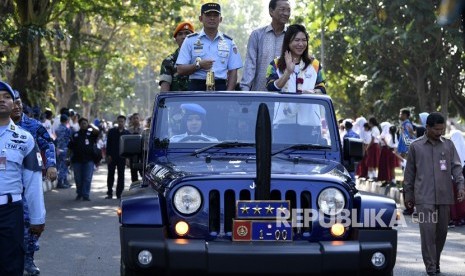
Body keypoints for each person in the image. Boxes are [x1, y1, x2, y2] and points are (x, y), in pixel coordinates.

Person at [403, 112, 465, 276]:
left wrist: (460, 186)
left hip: (445, 196)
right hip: (424, 198)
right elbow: (409, 174)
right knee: (428, 233)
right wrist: (408, 196)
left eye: (442, 129)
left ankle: (435, 261)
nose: (440, 133)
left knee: (442, 233)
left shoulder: (448, 145)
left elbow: (457, 168)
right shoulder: (415, 146)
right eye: (437, 129)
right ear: (428, 128)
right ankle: (431, 267)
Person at [0, 81, 45, 276]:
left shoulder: (25, 138)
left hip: (11, 212)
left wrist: (37, 217)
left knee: (11, 267)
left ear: (14, 104)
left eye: (6, 97)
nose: (2, 100)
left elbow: (33, 181)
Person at [10, 89, 56, 275]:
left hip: (29, 182)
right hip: (7, 183)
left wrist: (51, 164)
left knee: (31, 221)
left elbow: (48, 144)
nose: (18, 105)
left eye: (19, 102)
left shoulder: (33, 126)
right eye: (14, 102)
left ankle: (28, 259)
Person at [176, 2, 243, 91]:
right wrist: (198, 65)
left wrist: (228, 94)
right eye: (208, 15)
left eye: (215, 15)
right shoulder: (190, 40)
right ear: (201, 18)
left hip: (220, 87)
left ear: (220, 19)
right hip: (196, 87)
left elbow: (233, 71)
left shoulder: (229, 42)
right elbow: (180, 69)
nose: (212, 18)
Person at [240, 0, 291, 91]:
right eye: (282, 9)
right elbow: (250, 64)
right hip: (260, 92)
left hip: (285, 94)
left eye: (288, 10)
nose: (286, 13)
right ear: (271, 11)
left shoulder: (292, 37)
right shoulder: (257, 35)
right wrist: (245, 89)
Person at [265, 24, 326, 94]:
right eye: (297, 40)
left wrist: (313, 92)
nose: (301, 44)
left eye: (304, 40)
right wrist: (287, 73)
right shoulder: (275, 64)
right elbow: (270, 87)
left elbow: (322, 88)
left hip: (307, 105)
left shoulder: (315, 64)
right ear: (288, 42)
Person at [68, 117, 99, 201]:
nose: (83, 125)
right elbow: (70, 147)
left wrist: (91, 126)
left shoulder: (91, 134)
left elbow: (97, 131)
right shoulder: (75, 135)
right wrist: (68, 158)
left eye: (85, 123)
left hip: (89, 159)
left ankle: (86, 195)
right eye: (82, 123)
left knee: (87, 178)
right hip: (77, 160)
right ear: (79, 125)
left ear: (87, 124)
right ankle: (79, 193)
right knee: (78, 178)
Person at [159, 21, 195, 92]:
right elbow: (164, 91)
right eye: (180, 34)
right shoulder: (169, 61)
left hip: (199, 101)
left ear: (193, 38)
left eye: (187, 33)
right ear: (176, 39)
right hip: (177, 102)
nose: (184, 37)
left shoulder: (200, 59)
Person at [105, 115, 130, 199]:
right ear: (117, 122)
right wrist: (108, 155)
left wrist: (127, 158)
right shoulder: (111, 132)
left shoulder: (127, 133)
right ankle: (109, 193)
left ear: (124, 122)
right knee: (110, 175)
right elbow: (108, 144)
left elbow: (128, 147)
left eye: (122, 121)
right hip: (112, 157)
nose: (120, 123)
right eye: (119, 121)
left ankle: (119, 193)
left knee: (121, 176)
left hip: (122, 158)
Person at [55, 114, 72, 189]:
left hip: (58, 149)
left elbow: (55, 138)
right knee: (64, 166)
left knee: (59, 165)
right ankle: (61, 182)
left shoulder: (57, 128)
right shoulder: (67, 129)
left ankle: (64, 181)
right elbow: (70, 139)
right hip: (65, 149)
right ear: (67, 120)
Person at [128, 112, 143, 182]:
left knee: (143, 173)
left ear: (140, 119)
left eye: (137, 118)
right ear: (132, 120)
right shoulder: (129, 130)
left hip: (142, 155)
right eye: (134, 118)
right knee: (133, 174)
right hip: (132, 154)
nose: (135, 120)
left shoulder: (144, 130)